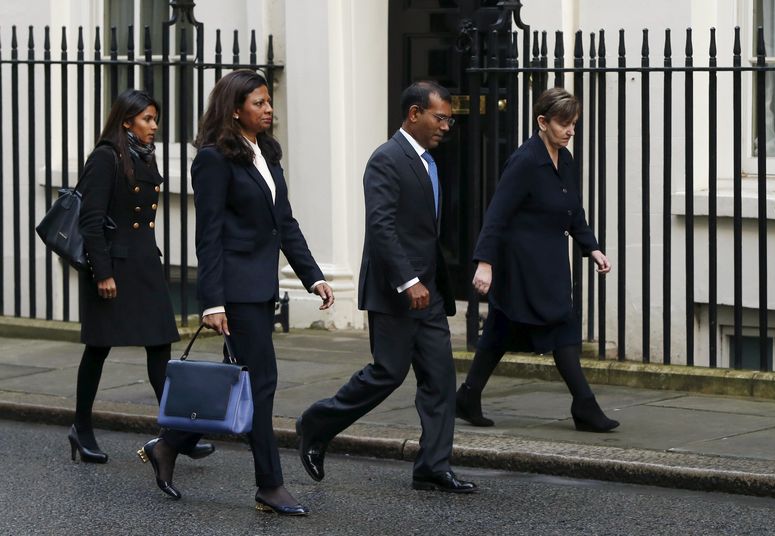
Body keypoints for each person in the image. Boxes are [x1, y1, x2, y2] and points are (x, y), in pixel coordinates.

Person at [136, 70, 334, 516]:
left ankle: (169, 445)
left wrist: (313, 276)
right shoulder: (213, 159)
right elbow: (208, 235)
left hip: (260, 286)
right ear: (234, 109)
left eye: (268, 102)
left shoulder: (266, 152)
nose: (269, 110)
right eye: (260, 103)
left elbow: (284, 222)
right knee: (261, 385)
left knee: (240, 385)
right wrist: (212, 301)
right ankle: (270, 486)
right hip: (236, 291)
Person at [297, 81, 477, 494]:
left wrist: (427, 282)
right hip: (397, 292)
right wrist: (408, 280)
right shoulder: (386, 160)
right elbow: (381, 227)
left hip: (429, 293)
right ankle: (316, 423)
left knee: (440, 379)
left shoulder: (430, 163)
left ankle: (433, 465)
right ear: (414, 114)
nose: (446, 126)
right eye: (440, 117)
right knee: (387, 373)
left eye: (449, 118)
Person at [457, 87, 619, 433]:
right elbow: (497, 213)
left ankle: (468, 395)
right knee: (559, 326)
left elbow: (573, 211)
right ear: (542, 122)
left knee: (502, 330)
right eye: (563, 124)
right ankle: (585, 406)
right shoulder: (525, 161)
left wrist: (592, 247)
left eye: (573, 124)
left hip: (551, 261)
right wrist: (484, 262)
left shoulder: (566, 160)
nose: (570, 130)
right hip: (522, 263)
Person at [70, 89, 214, 464]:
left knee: (160, 345)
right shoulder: (104, 157)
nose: (154, 127)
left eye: (155, 119)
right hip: (112, 268)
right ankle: (81, 429)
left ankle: (176, 433)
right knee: (98, 348)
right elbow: (90, 220)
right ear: (126, 121)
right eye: (148, 119)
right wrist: (102, 272)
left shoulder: (144, 156)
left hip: (144, 265)